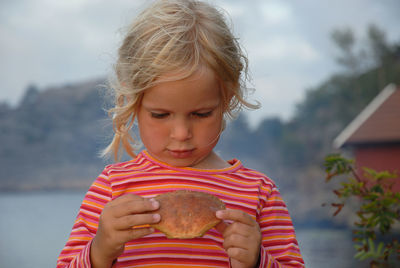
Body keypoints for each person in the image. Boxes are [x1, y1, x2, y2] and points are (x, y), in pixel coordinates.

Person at [57, 0, 304, 267]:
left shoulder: (259, 194)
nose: (181, 133)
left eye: (200, 114)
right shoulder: (113, 188)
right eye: (160, 115)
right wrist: (100, 250)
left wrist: (258, 260)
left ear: (227, 98)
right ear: (132, 101)